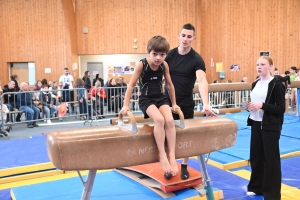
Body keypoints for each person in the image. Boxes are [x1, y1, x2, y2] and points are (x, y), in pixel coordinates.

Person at [121, 35, 180, 177]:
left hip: (161, 98)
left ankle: (172, 156)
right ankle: (162, 155)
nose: (158, 58)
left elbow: (170, 85)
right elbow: (131, 85)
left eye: (162, 55)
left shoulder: (164, 66)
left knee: (170, 121)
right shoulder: (142, 64)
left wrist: (174, 103)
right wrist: (125, 105)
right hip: (146, 100)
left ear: (166, 55)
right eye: (155, 54)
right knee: (159, 120)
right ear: (148, 53)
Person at [165, 23, 217, 180]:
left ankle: (184, 165)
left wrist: (205, 104)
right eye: (183, 35)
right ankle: (169, 163)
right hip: (167, 102)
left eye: (189, 36)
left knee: (185, 136)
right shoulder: (170, 55)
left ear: (194, 38)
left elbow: (202, 81)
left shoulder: (196, 59)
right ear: (179, 36)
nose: (185, 39)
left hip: (185, 103)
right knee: (168, 135)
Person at [245, 56, 285, 200]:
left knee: (270, 159)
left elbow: (281, 108)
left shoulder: (277, 84)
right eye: (257, 64)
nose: (259, 67)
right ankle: (256, 186)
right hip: (256, 122)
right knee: (256, 156)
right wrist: (250, 106)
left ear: (271, 67)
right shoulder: (255, 83)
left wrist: (262, 106)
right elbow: (255, 102)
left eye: (262, 64)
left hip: (270, 126)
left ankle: (272, 193)